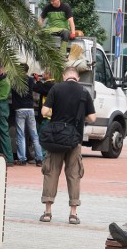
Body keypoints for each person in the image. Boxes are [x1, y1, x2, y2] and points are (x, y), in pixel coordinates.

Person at [39, 66, 95, 225]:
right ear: (77, 78)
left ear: (65, 76)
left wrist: (54, 114)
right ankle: (73, 213)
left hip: (56, 140)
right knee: (74, 175)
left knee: (51, 172)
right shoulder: (84, 93)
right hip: (74, 140)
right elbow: (92, 118)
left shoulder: (56, 88)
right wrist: (79, 116)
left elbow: (44, 111)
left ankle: (48, 212)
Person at [11, 65, 43, 166]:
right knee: (34, 135)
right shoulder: (30, 80)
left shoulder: (15, 80)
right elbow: (35, 88)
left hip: (20, 109)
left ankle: (22, 159)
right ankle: (39, 159)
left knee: (21, 135)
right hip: (30, 108)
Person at [0, 62, 14, 166]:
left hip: (0, 106)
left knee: (3, 131)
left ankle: (9, 158)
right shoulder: (1, 78)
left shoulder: (4, 81)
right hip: (0, 107)